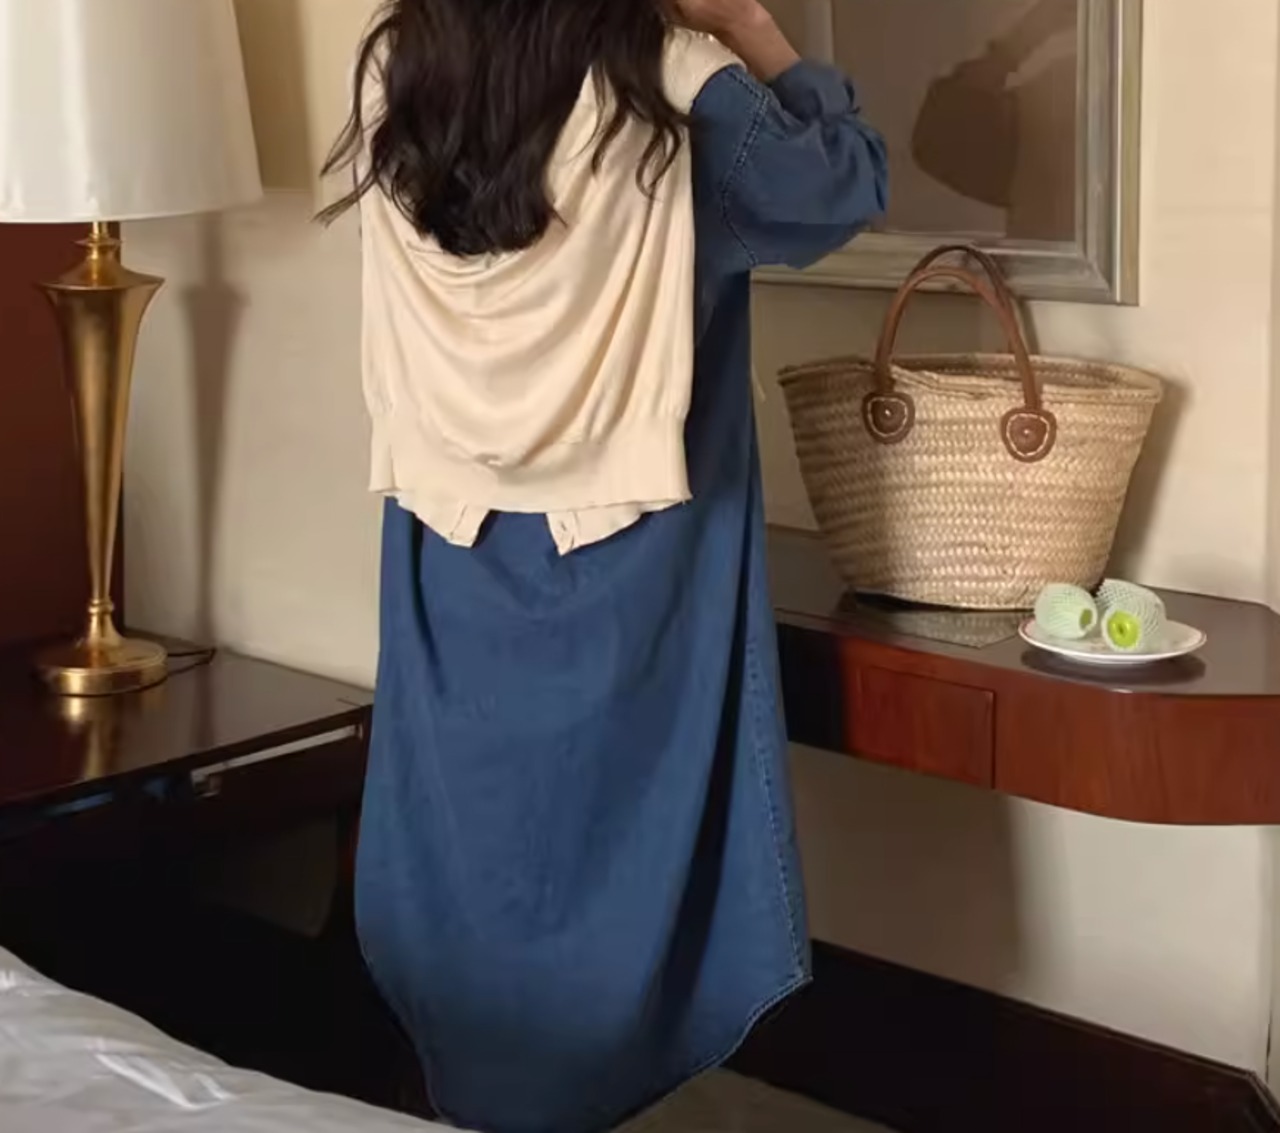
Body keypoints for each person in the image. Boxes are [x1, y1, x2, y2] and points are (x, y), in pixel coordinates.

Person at [321, 2, 887, 1130]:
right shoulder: (676, 88)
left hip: (452, 548)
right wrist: (752, 28)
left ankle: (472, 1098)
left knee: (472, 850)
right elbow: (842, 187)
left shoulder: (403, 72)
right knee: (610, 858)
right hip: (631, 554)